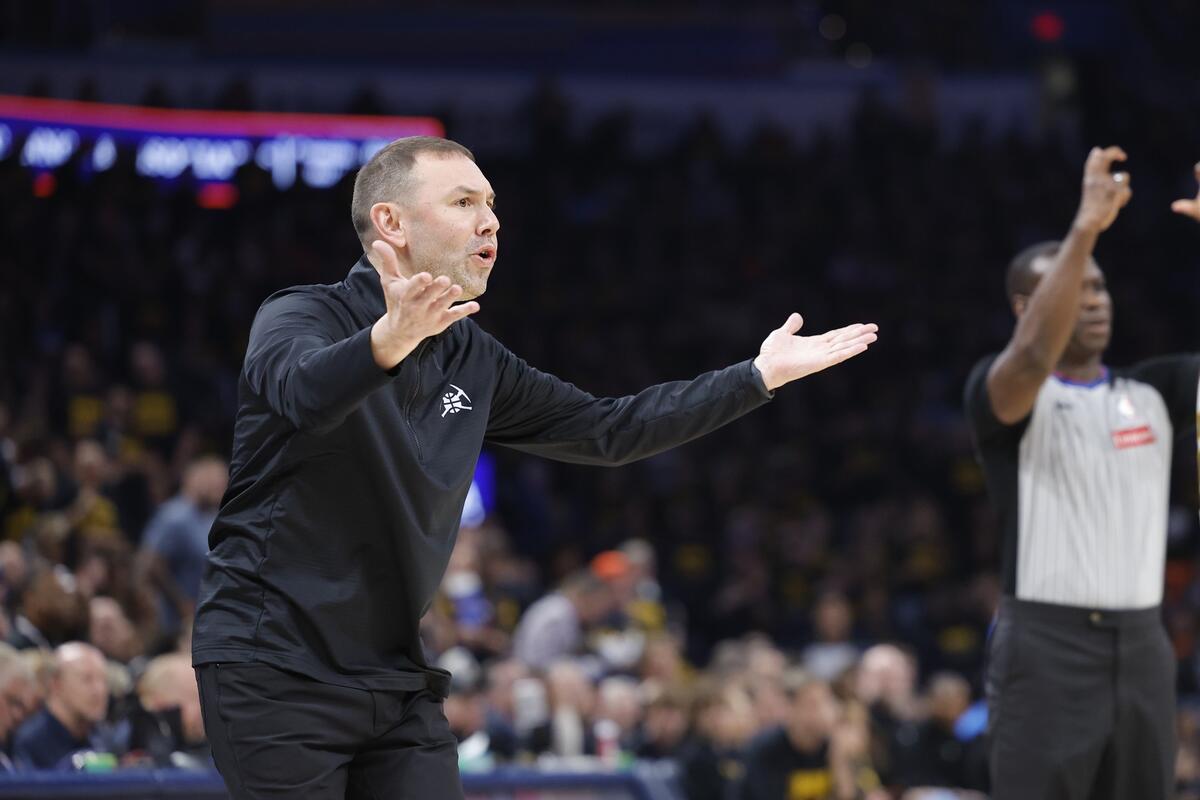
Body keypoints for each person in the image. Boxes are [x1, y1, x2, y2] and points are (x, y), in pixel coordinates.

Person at [191, 135, 878, 800]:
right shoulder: (299, 314)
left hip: (393, 674)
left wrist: (754, 377)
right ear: (391, 223)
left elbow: (610, 430)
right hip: (271, 661)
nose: (490, 220)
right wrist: (387, 341)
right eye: (464, 202)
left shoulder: (473, 357)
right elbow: (303, 393)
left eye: (490, 204)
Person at [964, 147, 1200, 799]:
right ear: (1025, 307)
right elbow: (1031, 355)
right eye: (1076, 287)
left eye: (1099, 287)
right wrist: (1086, 228)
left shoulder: (1157, 391)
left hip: (1145, 641)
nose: (1093, 300)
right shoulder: (1003, 390)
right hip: (1046, 644)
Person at [11, 642, 110, 770]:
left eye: (103, 680)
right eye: (87, 679)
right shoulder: (29, 743)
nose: (99, 690)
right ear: (56, 684)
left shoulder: (103, 739)